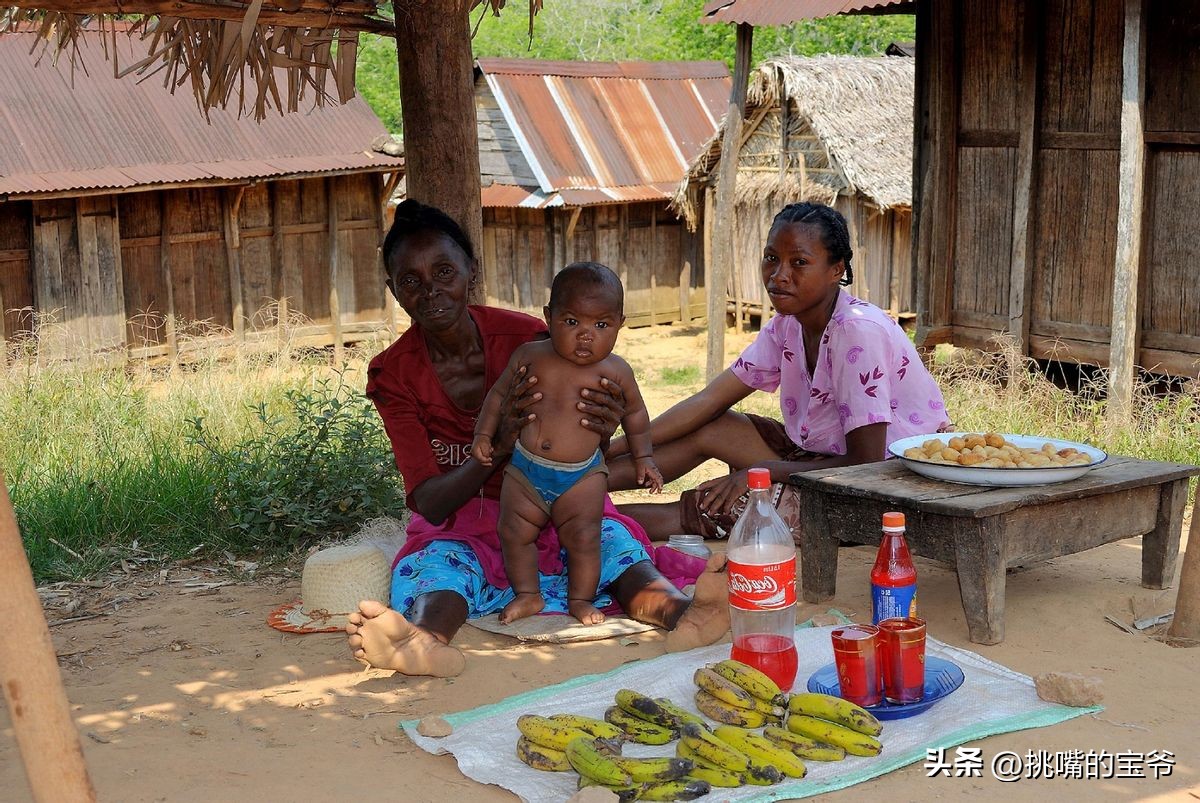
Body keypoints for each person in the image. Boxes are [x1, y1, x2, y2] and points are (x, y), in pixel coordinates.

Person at [345, 200, 728, 678]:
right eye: (411, 281)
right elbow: (431, 503)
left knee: (606, 541)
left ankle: (684, 613)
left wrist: (601, 427)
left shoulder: (531, 338)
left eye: (444, 271)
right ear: (393, 291)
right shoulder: (394, 373)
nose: (431, 292)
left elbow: (591, 431)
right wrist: (497, 448)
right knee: (440, 566)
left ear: (471, 270)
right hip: (466, 520)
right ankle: (421, 640)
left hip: (558, 499)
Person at [606, 202, 952, 540]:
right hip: (820, 455)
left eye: (799, 262)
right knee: (713, 426)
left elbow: (865, 462)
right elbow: (710, 400)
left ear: (836, 270)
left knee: (723, 507)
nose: (779, 275)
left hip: (885, 482)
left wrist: (763, 472)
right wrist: (617, 447)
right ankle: (579, 482)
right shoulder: (786, 325)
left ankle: (578, 521)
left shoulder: (857, 332)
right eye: (772, 258)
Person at [472, 262, 663, 626]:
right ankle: (528, 594)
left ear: (621, 323)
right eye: (572, 322)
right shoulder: (530, 356)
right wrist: (483, 435)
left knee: (584, 538)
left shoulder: (617, 371)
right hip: (526, 470)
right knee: (513, 532)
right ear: (549, 316)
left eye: (601, 325)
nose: (586, 335)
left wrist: (645, 458)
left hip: (583, 476)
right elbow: (497, 398)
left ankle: (580, 599)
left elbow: (635, 415)